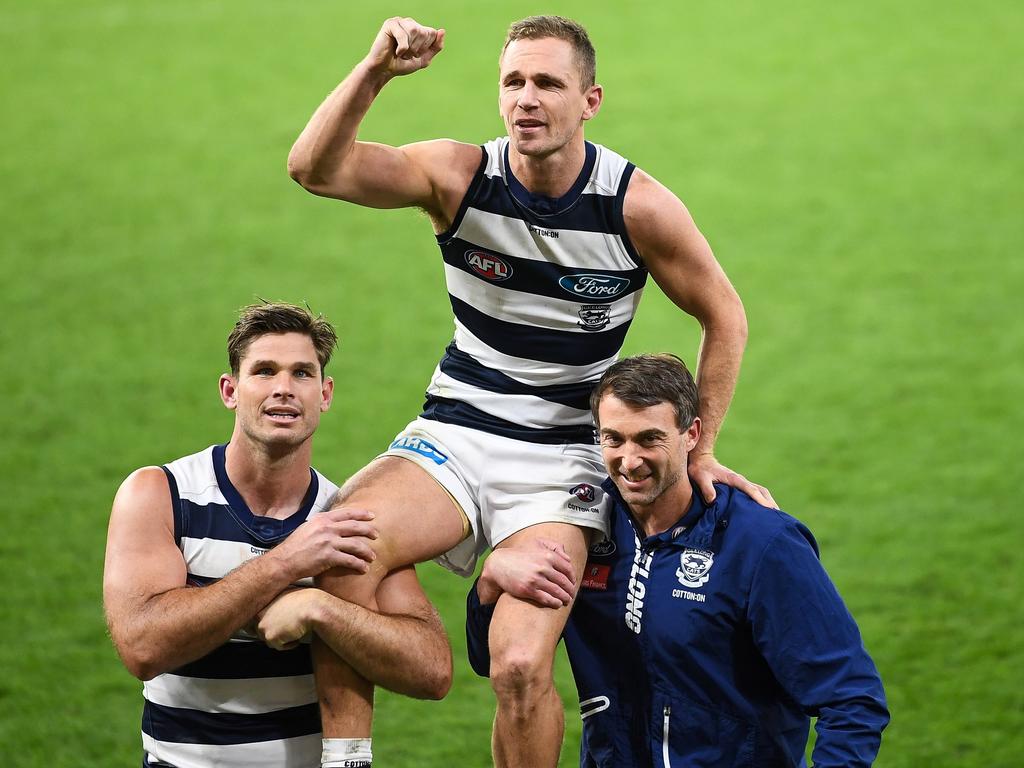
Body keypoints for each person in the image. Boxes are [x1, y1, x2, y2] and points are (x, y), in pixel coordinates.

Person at [288, 15, 776, 766]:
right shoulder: (458, 176)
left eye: (548, 82)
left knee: (519, 667)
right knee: (336, 548)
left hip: (564, 461)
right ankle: (346, 761)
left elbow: (726, 315)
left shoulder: (634, 206)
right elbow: (314, 170)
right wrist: (376, 71)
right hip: (457, 430)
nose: (526, 98)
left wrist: (701, 448)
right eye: (512, 81)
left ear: (591, 100)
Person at [466, 354, 889, 767]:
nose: (629, 462)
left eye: (650, 439)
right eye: (613, 438)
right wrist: (489, 584)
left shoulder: (761, 545)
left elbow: (851, 699)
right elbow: (492, 663)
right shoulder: (580, 530)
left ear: (692, 434)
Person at [103, 302, 452, 768]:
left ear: (325, 394)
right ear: (230, 390)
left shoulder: (346, 519)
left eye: (302, 374)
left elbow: (432, 670)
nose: (284, 389)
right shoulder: (160, 495)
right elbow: (143, 646)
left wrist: (319, 608)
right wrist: (285, 564)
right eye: (264, 371)